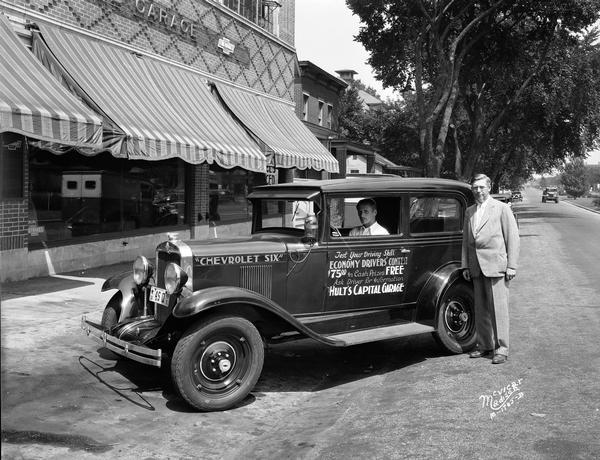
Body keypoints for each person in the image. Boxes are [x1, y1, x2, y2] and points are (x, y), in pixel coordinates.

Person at [462, 174, 520, 364]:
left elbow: (513, 237)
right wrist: (465, 265)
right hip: (476, 267)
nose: (478, 191)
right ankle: (485, 345)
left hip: (496, 267)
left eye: (481, 187)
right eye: (475, 188)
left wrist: (511, 265)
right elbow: (466, 242)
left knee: (499, 309)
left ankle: (502, 348)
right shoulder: (470, 211)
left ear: (489, 187)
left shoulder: (502, 209)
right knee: (481, 309)